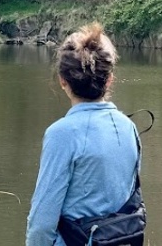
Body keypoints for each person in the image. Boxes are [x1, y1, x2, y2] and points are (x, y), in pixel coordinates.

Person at [26, 23, 141, 246]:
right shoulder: (128, 127)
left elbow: (41, 223)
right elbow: (131, 201)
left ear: (63, 81)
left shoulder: (62, 135)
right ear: (109, 80)